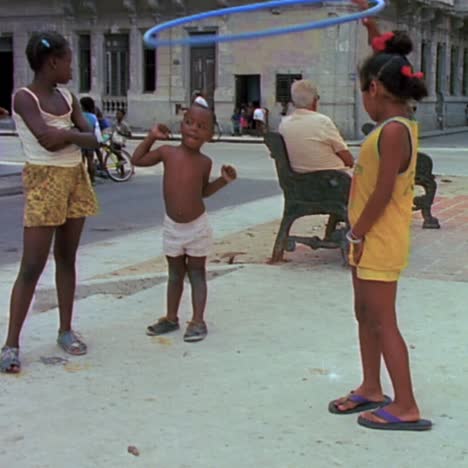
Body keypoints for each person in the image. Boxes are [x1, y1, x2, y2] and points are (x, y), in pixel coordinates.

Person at [328, 4, 432, 431]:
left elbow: (385, 191)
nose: (363, 100)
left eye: (362, 91)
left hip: (377, 239)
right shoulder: (394, 124)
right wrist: (371, 27)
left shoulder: (392, 131)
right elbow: (388, 54)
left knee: (384, 320)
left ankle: (405, 404)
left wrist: (356, 232)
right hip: (367, 239)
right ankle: (372, 387)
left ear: (375, 88)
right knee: (364, 314)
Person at [0, 31, 99, 373]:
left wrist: (69, 135)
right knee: (31, 266)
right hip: (45, 182)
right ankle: (11, 343)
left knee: (67, 258)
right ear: (52, 62)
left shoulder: (68, 97)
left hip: (74, 179)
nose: (73, 66)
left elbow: (93, 139)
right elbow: (46, 141)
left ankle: (66, 329)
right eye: (69, 60)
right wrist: (73, 135)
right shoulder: (24, 98)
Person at [131, 104, 237, 342]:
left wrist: (223, 181)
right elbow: (137, 159)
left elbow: (204, 192)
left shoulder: (204, 162)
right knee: (174, 274)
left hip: (196, 227)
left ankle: (198, 321)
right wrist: (151, 137)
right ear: (182, 124)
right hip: (172, 227)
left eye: (202, 127)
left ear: (210, 135)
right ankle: (171, 317)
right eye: (189, 122)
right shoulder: (167, 152)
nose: (194, 129)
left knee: (197, 273)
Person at [279, 80, 354, 173]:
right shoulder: (322, 121)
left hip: (300, 179)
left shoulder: (284, 124)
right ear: (314, 101)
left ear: (293, 102)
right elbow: (348, 159)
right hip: (335, 179)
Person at [80, 96, 104, 183]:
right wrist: (99, 140)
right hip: (90, 140)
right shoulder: (93, 117)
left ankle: (82, 179)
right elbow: (97, 130)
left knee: (81, 161)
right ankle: (92, 179)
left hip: (81, 140)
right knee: (90, 160)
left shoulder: (79, 116)